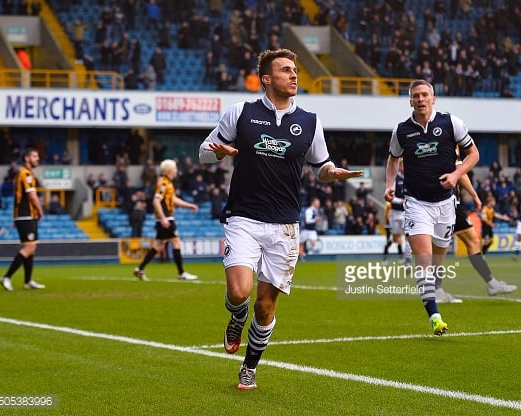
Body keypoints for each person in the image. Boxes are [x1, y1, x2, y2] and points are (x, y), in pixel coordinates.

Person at [198, 48, 363, 390]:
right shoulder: (240, 113)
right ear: (267, 79)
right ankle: (235, 315)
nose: (294, 75)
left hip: (285, 224)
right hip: (243, 216)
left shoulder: (310, 121)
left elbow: (322, 168)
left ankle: (250, 367)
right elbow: (203, 153)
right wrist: (219, 152)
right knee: (240, 292)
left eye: (295, 70)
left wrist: (335, 173)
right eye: (286, 70)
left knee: (265, 306)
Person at [384, 79, 479, 335]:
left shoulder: (451, 123)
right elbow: (393, 159)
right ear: (410, 100)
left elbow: (473, 155)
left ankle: (435, 291)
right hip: (416, 203)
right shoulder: (402, 131)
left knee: (437, 261)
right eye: (416, 96)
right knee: (423, 260)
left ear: (433, 98)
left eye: (425, 95)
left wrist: (457, 175)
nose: (421, 99)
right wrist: (389, 184)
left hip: (446, 204)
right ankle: (434, 315)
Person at [435, 175, 517, 304]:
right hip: (446, 202)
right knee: (441, 247)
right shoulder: (450, 154)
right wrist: (474, 195)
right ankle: (436, 290)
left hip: (444, 202)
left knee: (468, 242)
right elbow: (461, 173)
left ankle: (491, 283)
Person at [133, 159, 199, 281]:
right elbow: (156, 201)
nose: (176, 171)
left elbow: (173, 199)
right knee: (176, 242)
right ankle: (181, 273)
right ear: (169, 170)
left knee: (158, 245)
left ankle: (140, 269)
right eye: (175, 168)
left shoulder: (168, 183)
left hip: (165, 218)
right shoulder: (163, 183)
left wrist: (189, 205)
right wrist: (163, 218)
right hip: (166, 218)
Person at [0, 148, 46, 291]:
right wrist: (40, 209)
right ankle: (6, 277)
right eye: (34, 156)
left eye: (37, 156)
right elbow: (31, 195)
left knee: (32, 247)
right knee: (29, 247)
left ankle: (28, 281)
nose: (37, 158)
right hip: (25, 214)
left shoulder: (27, 173)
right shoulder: (25, 174)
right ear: (27, 158)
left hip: (26, 215)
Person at [383, 161, 408, 265]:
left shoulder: (409, 179)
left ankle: (405, 259)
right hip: (394, 213)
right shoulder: (394, 180)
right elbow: (390, 198)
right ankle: (385, 256)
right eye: (403, 166)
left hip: (405, 213)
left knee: (408, 236)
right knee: (394, 238)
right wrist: (401, 201)